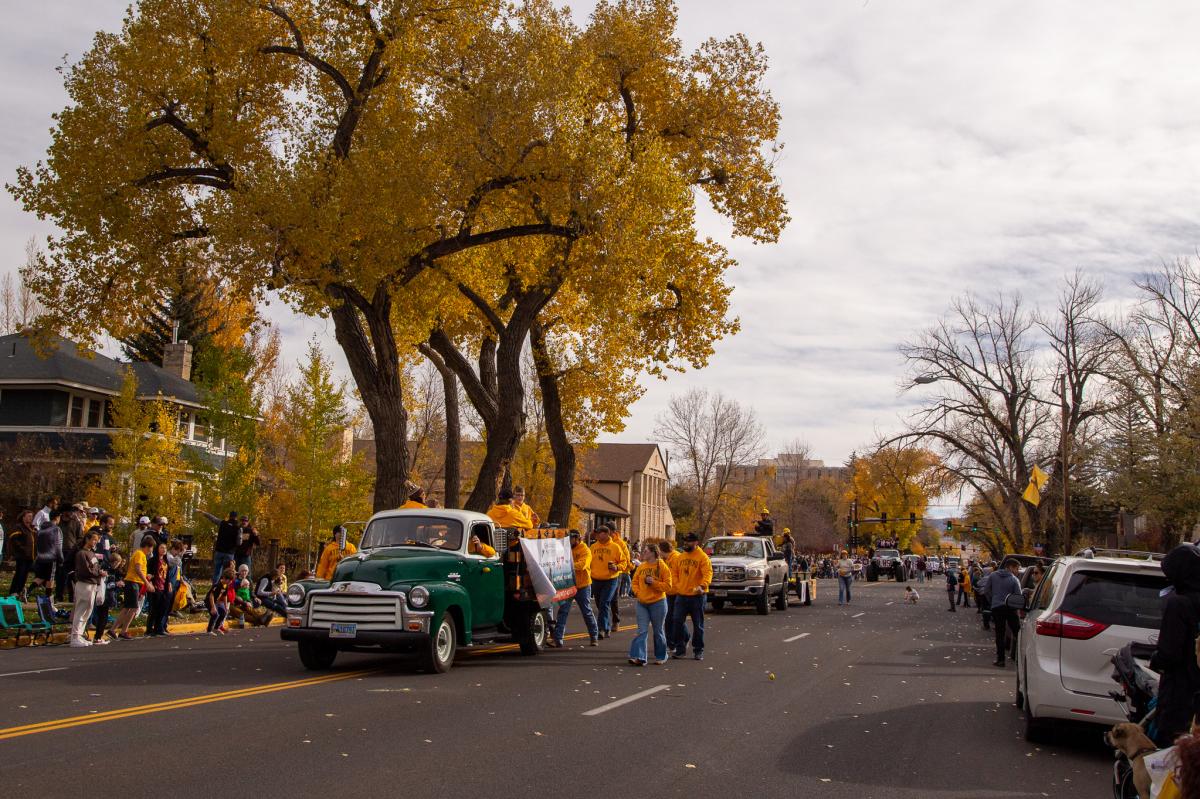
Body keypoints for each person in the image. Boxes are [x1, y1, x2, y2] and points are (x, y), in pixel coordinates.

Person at [1151, 544, 1200, 747]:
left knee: (1171, 751)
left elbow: (1169, 652)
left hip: (1180, 690)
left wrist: (1156, 660)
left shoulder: (1178, 604)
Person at [550, 530, 599, 648]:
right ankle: (557, 639)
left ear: (577, 539)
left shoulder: (585, 550)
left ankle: (594, 636)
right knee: (563, 611)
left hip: (582, 586)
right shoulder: (565, 549)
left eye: (571, 539)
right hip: (568, 584)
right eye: (568, 538)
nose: (569, 541)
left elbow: (583, 565)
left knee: (586, 611)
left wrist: (567, 565)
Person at [669, 532, 712, 661]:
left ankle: (698, 650)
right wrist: (677, 585)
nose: (686, 543)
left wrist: (702, 586)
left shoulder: (702, 557)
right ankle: (680, 649)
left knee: (697, 624)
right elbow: (674, 573)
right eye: (685, 541)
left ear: (696, 542)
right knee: (676, 621)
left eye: (689, 541)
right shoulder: (680, 557)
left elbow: (707, 573)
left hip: (697, 596)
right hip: (681, 595)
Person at [628, 543, 672, 666]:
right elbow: (635, 581)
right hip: (642, 603)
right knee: (642, 630)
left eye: (646, 551)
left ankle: (661, 656)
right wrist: (638, 593)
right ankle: (639, 657)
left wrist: (654, 583)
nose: (643, 553)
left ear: (653, 552)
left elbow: (668, 586)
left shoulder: (662, 566)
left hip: (658, 603)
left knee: (658, 631)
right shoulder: (642, 567)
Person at [589, 525, 627, 639]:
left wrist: (617, 567)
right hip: (596, 579)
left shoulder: (615, 547)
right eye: (597, 533)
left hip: (610, 580)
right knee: (599, 604)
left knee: (604, 603)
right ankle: (606, 626)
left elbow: (624, 562)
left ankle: (601, 629)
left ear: (606, 534)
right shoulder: (593, 547)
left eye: (599, 533)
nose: (597, 535)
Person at [70, 530, 107, 647]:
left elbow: (94, 567)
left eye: (97, 540)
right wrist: (98, 573)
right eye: (94, 539)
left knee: (87, 610)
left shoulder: (91, 553)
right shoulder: (82, 553)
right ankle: (75, 636)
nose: (96, 542)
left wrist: (99, 572)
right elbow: (84, 570)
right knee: (81, 610)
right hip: (84, 584)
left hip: (92, 584)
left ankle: (79, 635)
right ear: (87, 539)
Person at [112, 536, 154, 640]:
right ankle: (119, 630)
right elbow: (138, 569)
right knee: (132, 607)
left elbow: (140, 570)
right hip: (132, 582)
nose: (151, 550)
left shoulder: (141, 555)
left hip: (135, 583)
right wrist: (146, 583)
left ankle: (119, 630)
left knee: (129, 607)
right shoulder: (139, 554)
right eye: (152, 547)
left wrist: (147, 578)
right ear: (148, 547)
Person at [988, 557, 1023, 667]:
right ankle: (1020, 658)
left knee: (1000, 634)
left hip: (997, 608)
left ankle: (1001, 659)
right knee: (1018, 633)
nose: (1018, 571)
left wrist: (993, 601)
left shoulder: (993, 576)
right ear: (1010, 567)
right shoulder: (1014, 580)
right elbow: (1018, 596)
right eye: (1017, 568)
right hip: (1011, 609)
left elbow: (986, 591)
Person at [657, 540, 687, 652]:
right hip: (668, 592)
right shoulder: (663, 560)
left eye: (659, 550)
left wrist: (679, 587)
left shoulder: (677, 558)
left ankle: (683, 638)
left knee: (676, 618)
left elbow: (682, 575)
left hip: (678, 593)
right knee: (669, 618)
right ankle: (671, 643)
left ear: (662, 550)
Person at [32, 507, 64, 603]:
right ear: (57, 517)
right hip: (51, 557)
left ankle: (27, 591)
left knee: (40, 577)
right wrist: (61, 559)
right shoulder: (56, 529)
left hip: (41, 556)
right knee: (51, 578)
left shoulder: (41, 528)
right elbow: (58, 545)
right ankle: (48, 598)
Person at [200, 510, 241, 584]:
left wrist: (204, 513)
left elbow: (213, 518)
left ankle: (215, 586)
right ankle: (226, 588)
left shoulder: (223, 523)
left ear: (229, 516)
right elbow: (239, 542)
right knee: (228, 572)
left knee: (217, 571)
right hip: (229, 553)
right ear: (236, 517)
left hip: (219, 551)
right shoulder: (238, 528)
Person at [57, 503, 84, 602]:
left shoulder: (76, 523)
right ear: (63, 512)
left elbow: (80, 537)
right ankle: (59, 595)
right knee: (60, 575)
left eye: (71, 512)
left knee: (71, 575)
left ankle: (72, 596)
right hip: (59, 551)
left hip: (71, 551)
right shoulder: (58, 522)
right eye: (68, 512)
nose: (70, 514)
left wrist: (76, 547)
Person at [7, 509, 37, 599]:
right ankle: (13, 591)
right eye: (28, 516)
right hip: (22, 556)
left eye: (31, 516)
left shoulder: (32, 528)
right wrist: (22, 549)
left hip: (30, 556)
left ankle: (19, 591)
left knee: (24, 575)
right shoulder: (19, 527)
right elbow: (13, 539)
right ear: (23, 517)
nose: (30, 518)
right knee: (19, 574)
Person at [144, 541, 171, 636]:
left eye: (165, 548)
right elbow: (148, 573)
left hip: (164, 587)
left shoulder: (166, 561)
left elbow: (167, 575)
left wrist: (169, 584)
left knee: (162, 609)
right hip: (155, 587)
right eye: (161, 548)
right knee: (154, 609)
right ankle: (149, 629)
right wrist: (150, 584)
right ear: (157, 549)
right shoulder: (152, 560)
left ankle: (158, 628)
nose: (164, 550)